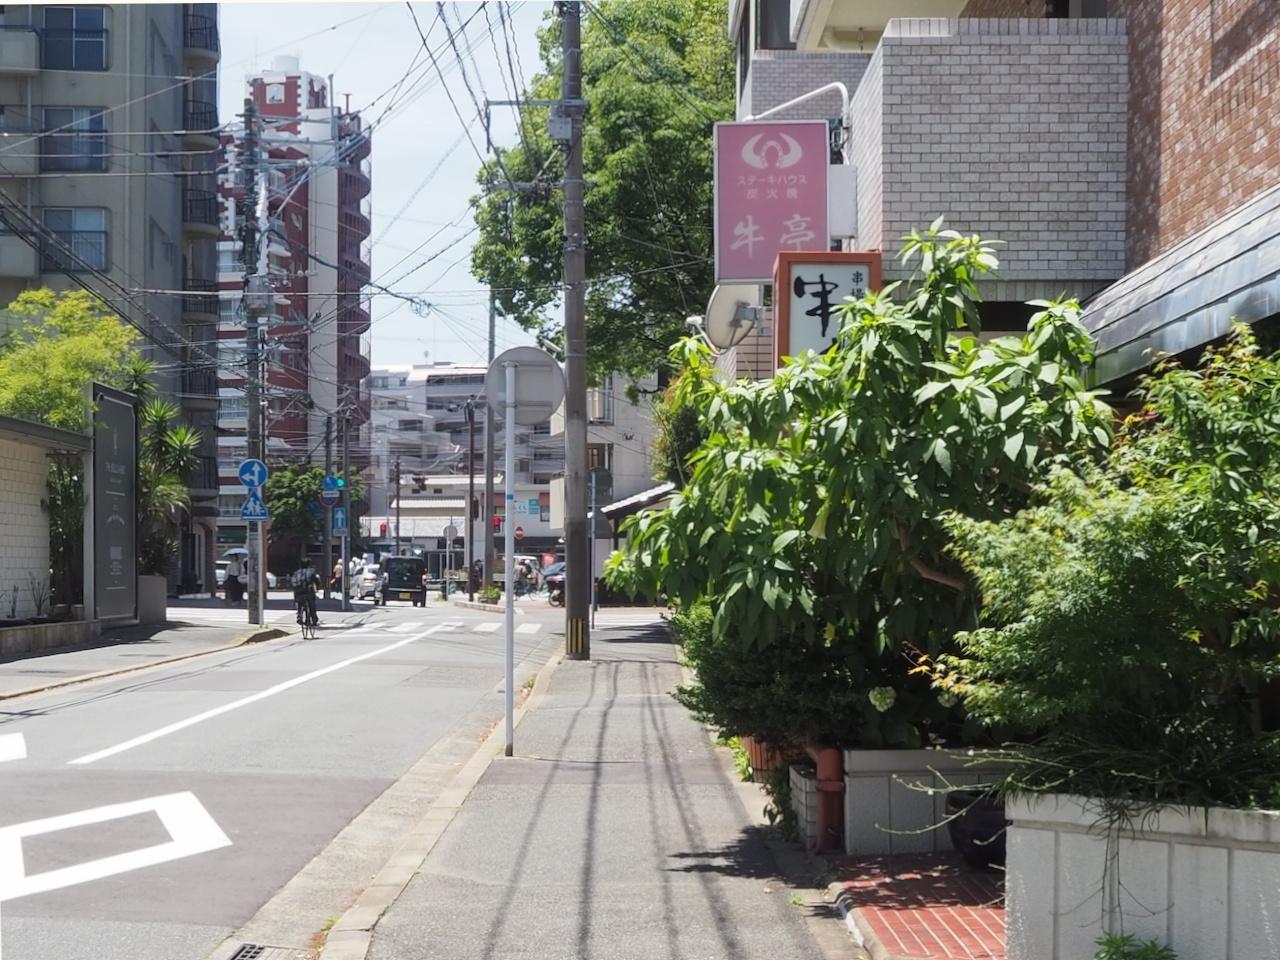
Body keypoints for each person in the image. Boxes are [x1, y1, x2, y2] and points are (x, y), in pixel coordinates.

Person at [292, 560, 320, 630]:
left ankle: (299, 615)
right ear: (308, 565)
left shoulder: (296, 573)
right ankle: (313, 619)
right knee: (312, 605)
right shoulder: (311, 571)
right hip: (308, 592)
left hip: (298, 593)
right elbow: (317, 581)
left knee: (299, 602)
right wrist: (318, 586)